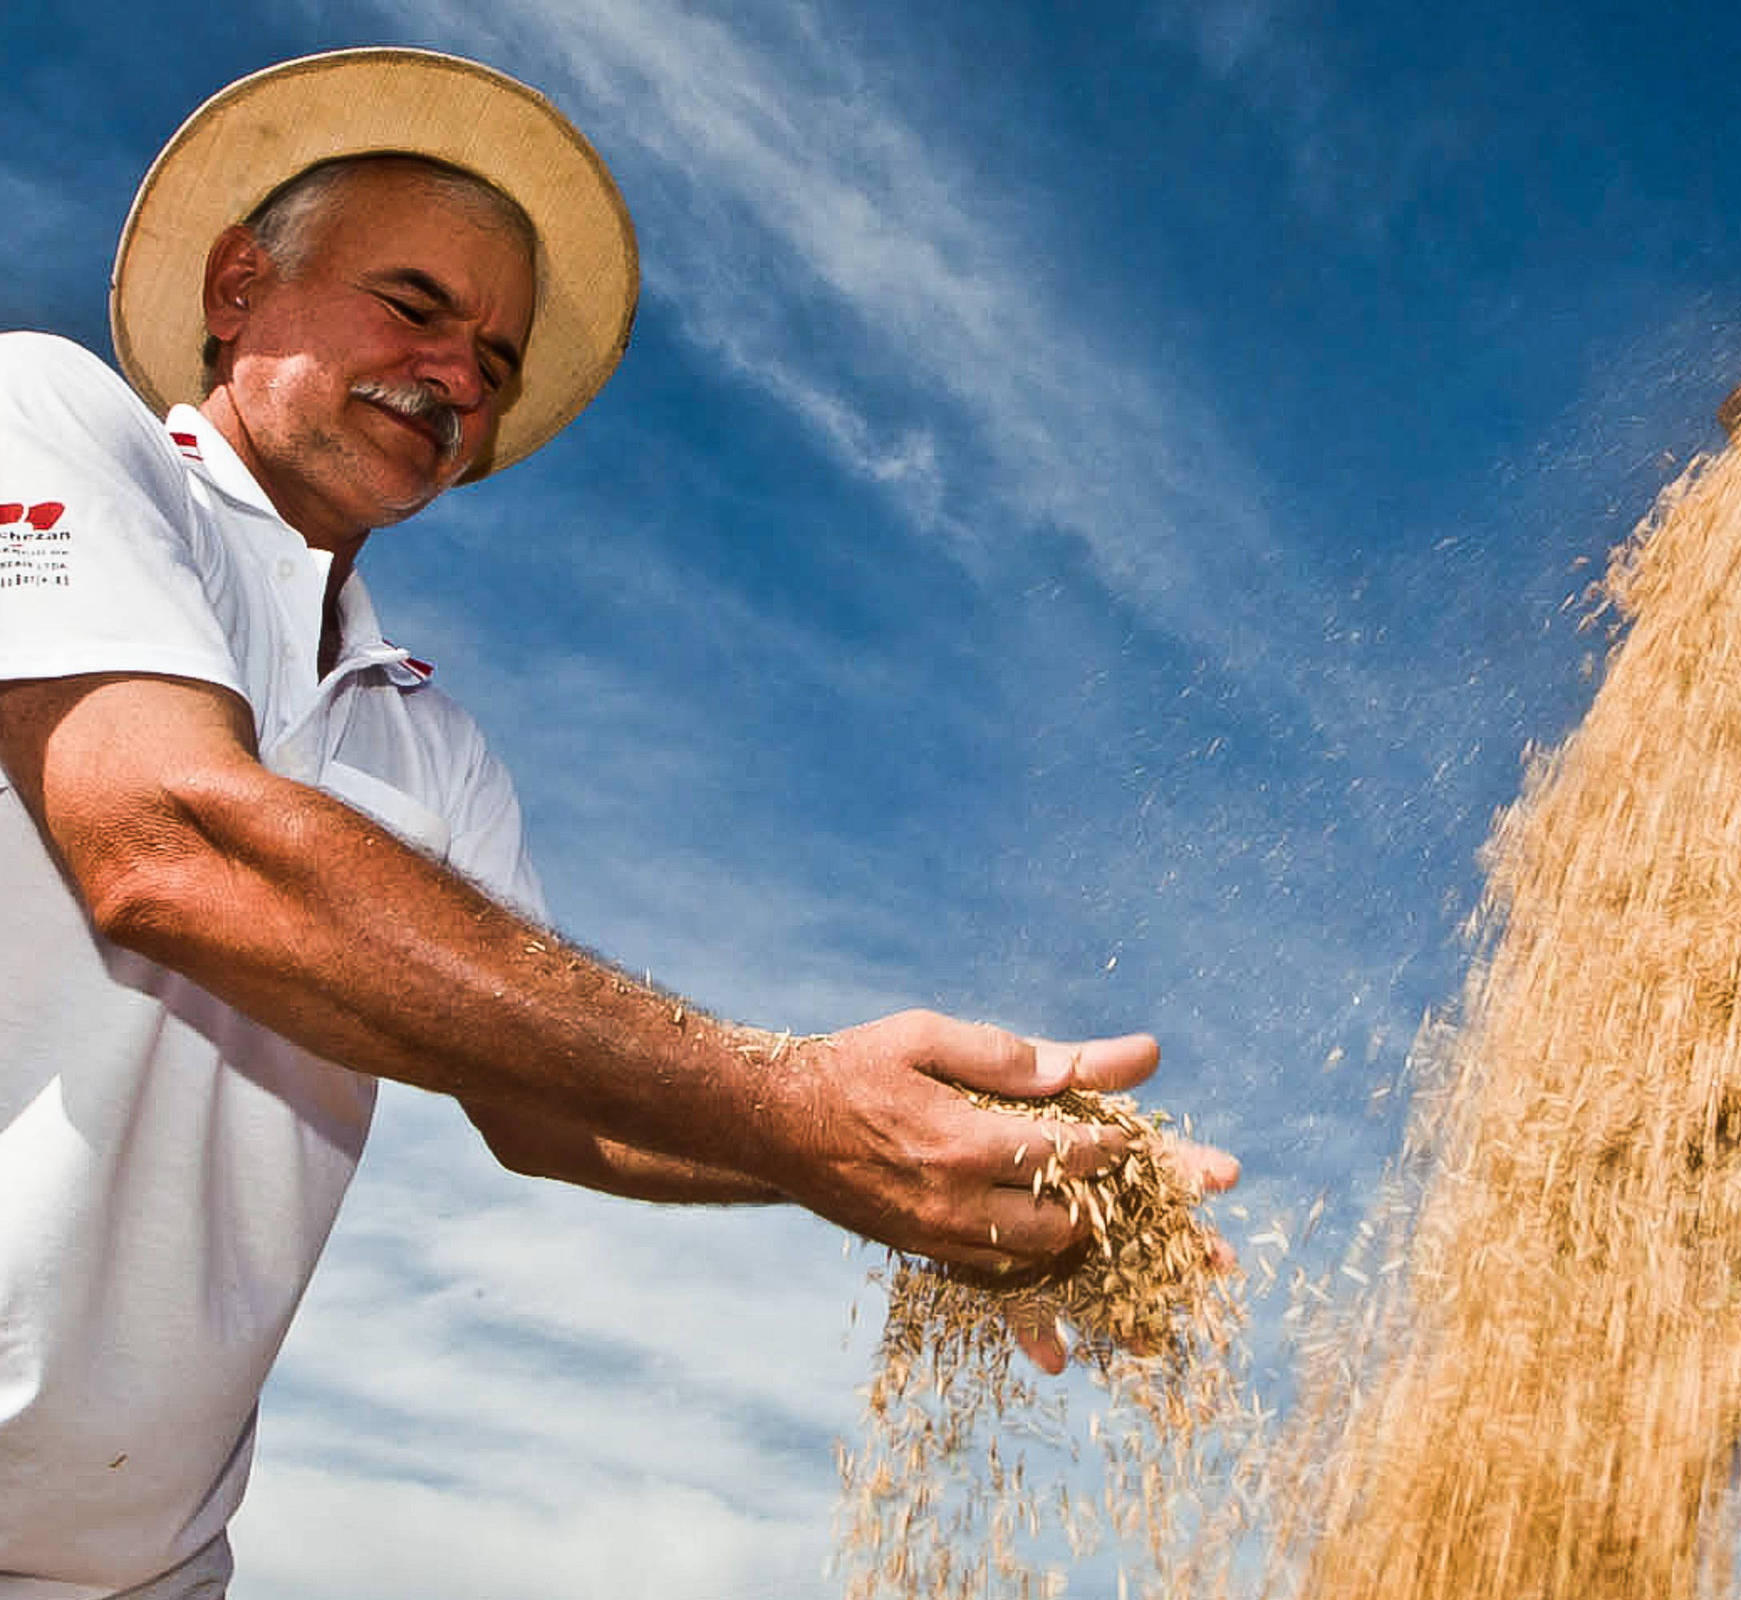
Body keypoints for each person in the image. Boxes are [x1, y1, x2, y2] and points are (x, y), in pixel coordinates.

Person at [0, 48, 1235, 1599]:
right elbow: (169, 847)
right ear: (240, 285)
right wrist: (798, 1110)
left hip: (140, 1569)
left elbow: (548, 1109)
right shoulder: (46, 419)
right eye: (415, 305)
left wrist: (904, 1159)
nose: (457, 377)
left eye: (494, 361)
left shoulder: (432, 749)